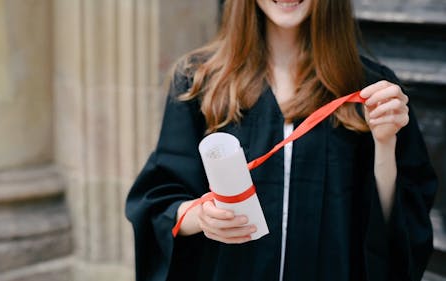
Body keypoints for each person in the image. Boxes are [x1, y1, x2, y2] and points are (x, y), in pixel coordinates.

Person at [125, 0, 437, 280]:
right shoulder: (200, 81)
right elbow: (160, 199)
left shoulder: (370, 90)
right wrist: (199, 218)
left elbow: (396, 225)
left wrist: (385, 143)